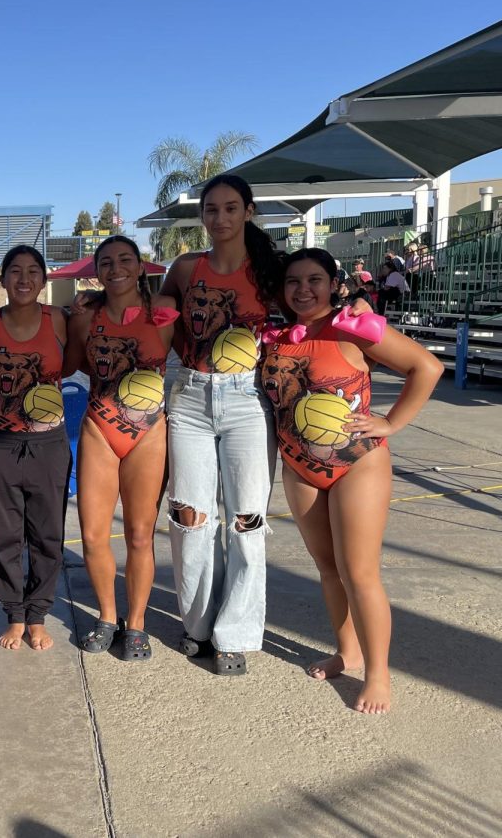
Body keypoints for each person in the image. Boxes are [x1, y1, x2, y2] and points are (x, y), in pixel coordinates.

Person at [160, 174, 373, 677]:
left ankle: (234, 634)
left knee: (246, 519)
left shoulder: (270, 273)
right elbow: (156, 311)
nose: (220, 218)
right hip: (190, 397)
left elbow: (312, 307)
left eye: (231, 208)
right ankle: (197, 625)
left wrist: (358, 304)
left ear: (248, 212)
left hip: (247, 400)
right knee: (190, 517)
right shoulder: (186, 268)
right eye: (211, 209)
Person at [261, 248, 441, 713]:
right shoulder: (275, 337)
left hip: (358, 463)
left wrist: (391, 422)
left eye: (314, 280)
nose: (303, 290)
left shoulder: (353, 328)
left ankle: (378, 674)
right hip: (300, 467)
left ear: (333, 284)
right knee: (327, 569)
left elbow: (427, 367)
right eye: (293, 282)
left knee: (359, 573)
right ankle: (348, 651)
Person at [65, 235, 177, 660]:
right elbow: (71, 362)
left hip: (148, 432)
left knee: (139, 534)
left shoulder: (164, 313)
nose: (116, 269)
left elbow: (209, 344)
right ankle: (108, 616)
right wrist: (64, 314)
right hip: (99, 428)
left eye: (125, 260)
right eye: (107, 262)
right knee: (93, 535)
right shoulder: (87, 316)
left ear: (140, 265)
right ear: (96, 270)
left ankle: (138, 624)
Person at [0, 245, 73, 652]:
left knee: (47, 534)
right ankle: (14, 613)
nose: (24, 279)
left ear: (44, 280)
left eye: (32, 271)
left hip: (49, 442)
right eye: (15, 271)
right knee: (4, 535)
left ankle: (39, 614)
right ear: (2, 279)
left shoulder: (59, 320)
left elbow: (77, 362)